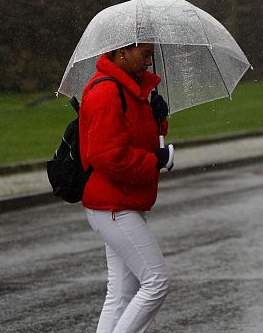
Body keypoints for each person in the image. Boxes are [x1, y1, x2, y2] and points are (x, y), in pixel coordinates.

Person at [79, 42, 172, 333]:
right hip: (113, 207)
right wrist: (155, 160)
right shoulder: (106, 92)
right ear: (122, 52)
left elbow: (135, 134)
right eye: (144, 54)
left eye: (151, 55)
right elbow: (108, 157)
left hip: (123, 203)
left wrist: (159, 119)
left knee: (119, 294)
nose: (149, 61)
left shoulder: (131, 89)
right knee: (156, 283)